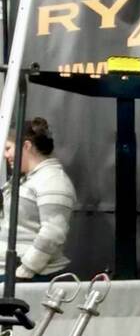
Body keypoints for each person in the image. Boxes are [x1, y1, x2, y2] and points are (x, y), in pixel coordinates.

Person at [2, 117, 77, 281]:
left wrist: (25, 271)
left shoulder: (53, 181)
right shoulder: (26, 180)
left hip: (32, 276)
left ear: (26, 146)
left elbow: (53, 232)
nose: (5, 155)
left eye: (8, 148)